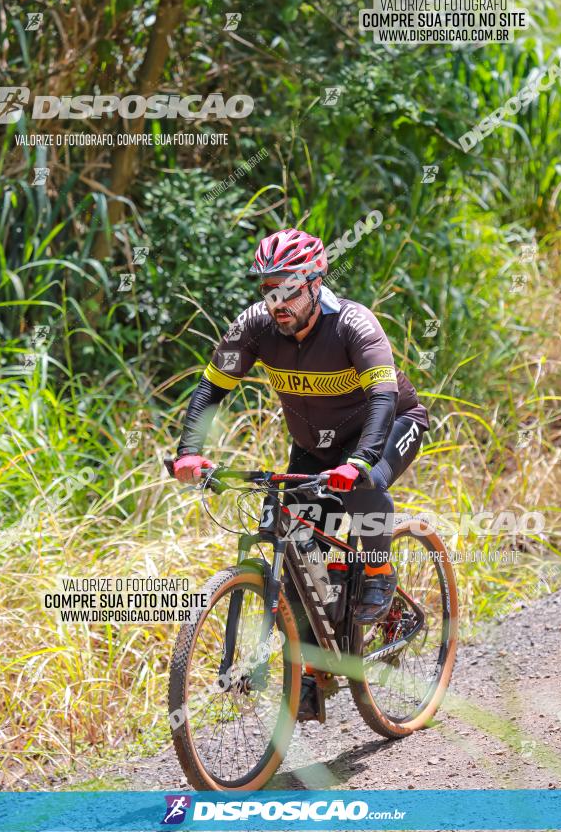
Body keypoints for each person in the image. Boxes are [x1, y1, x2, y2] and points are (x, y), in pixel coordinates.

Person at [174, 229, 429, 720]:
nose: (278, 300)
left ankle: (378, 569)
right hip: (315, 447)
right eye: (269, 287)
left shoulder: (356, 325)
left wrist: (359, 462)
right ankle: (315, 669)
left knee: (364, 486)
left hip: (390, 425)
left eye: (290, 287)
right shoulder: (253, 327)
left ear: (316, 282)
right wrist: (189, 452)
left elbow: (381, 398)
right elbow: (211, 387)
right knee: (297, 550)